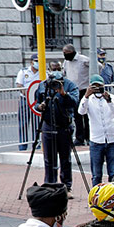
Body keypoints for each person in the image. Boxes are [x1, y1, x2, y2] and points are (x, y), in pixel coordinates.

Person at [34, 62, 79, 195]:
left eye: (59, 69)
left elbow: (75, 102)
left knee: (65, 159)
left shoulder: (69, 85)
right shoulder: (43, 85)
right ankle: (50, 185)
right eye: (54, 69)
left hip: (64, 127)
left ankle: (66, 186)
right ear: (49, 70)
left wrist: (64, 94)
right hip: (48, 126)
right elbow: (36, 103)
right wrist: (40, 107)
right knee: (49, 159)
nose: (57, 71)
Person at [78, 75, 114, 187]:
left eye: (100, 86)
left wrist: (109, 101)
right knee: (97, 175)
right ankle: (96, 199)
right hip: (96, 141)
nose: (97, 89)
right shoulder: (88, 100)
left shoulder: (112, 97)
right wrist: (86, 96)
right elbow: (81, 111)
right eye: (94, 87)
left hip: (112, 139)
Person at [62, 45, 90, 146]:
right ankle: (79, 138)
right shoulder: (66, 62)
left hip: (84, 90)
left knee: (86, 115)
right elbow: (64, 73)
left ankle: (89, 137)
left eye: (66, 53)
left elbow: (98, 66)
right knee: (77, 116)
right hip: (73, 91)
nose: (65, 55)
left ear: (72, 52)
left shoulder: (83, 60)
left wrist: (89, 79)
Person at [15, 53, 41, 151]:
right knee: (23, 123)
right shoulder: (23, 72)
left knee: (37, 124)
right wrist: (28, 95)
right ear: (31, 62)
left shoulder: (43, 72)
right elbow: (19, 85)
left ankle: (37, 144)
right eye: (36, 61)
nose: (38, 63)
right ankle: (23, 145)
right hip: (25, 100)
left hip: (37, 101)